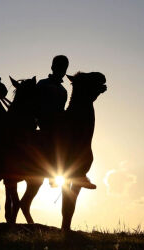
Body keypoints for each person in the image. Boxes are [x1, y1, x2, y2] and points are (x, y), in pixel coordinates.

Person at [36, 55, 96, 189]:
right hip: (46, 122)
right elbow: (36, 105)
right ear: (52, 67)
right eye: (59, 66)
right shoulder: (42, 84)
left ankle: (80, 171)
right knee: (61, 139)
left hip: (59, 122)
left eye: (64, 67)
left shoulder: (63, 91)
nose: (61, 69)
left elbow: (62, 109)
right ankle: (56, 174)